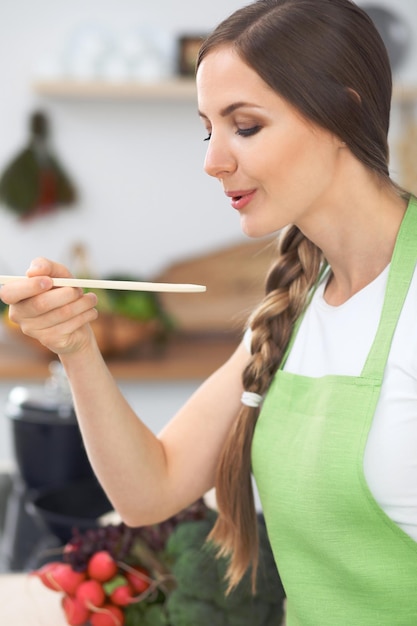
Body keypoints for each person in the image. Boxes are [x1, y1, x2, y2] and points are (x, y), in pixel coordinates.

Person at [1, 0, 417, 623]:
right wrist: (77, 346)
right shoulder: (295, 305)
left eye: (244, 126)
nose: (212, 161)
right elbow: (151, 489)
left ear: (343, 112)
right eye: (208, 129)